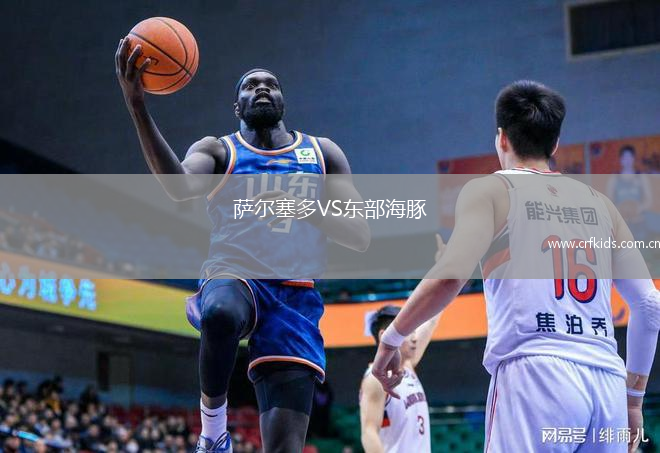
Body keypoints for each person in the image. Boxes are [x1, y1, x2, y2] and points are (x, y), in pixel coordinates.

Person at [371, 80, 660, 453]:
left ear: (502, 138)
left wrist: (391, 339)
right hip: (607, 381)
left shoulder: (491, 191)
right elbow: (649, 305)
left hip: (536, 375)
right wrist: (633, 400)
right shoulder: (602, 205)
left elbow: (450, 276)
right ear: (555, 145)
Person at [115, 38, 369, 453]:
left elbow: (359, 235)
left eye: (271, 84)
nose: (262, 88)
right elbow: (178, 188)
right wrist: (138, 106)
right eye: (251, 85)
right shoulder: (219, 150)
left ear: (283, 100)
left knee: (284, 447)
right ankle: (213, 432)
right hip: (235, 275)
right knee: (220, 312)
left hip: (294, 297)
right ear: (238, 107)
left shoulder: (323, 152)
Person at [359, 304, 439, 453]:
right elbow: (369, 434)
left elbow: (432, 319)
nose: (415, 338)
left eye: (414, 330)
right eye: (408, 331)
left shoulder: (408, 366)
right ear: (384, 335)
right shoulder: (375, 379)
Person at [606, 145, 652, 242]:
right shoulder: (614, 178)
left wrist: (638, 209)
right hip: (622, 224)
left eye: (629, 157)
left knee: (642, 249)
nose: (627, 160)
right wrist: (621, 210)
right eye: (624, 157)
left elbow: (649, 199)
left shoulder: (641, 177)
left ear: (633, 158)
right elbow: (608, 201)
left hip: (639, 222)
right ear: (621, 159)